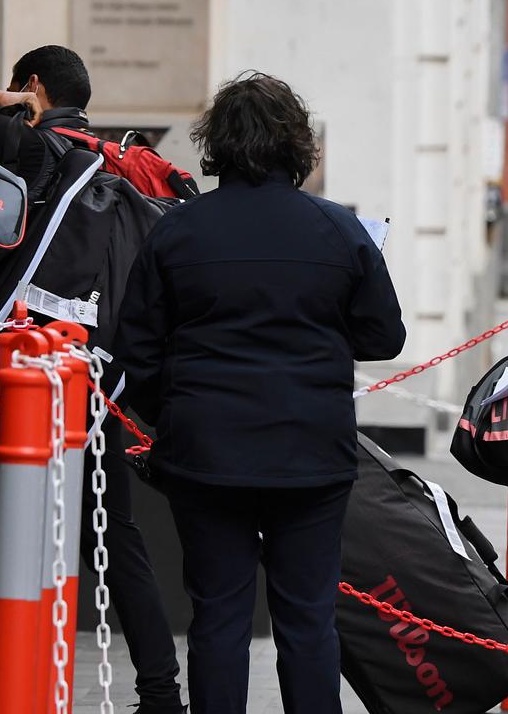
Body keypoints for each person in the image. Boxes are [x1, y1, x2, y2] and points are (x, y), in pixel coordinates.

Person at [115, 72, 406, 714]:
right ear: (297, 146)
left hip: (205, 451)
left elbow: (136, 346)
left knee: (217, 615)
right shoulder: (341, 232)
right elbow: (383, 336)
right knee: (308, 619)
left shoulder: (176, 231)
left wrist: (173, 413)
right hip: (311, 450)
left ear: (215, 145)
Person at [0, 45, 188, 714]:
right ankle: (161, 691)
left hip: (8, 379)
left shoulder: (29, 149)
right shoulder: (126, 166)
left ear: (31, 87)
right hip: (93, 387)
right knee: (116, 540)